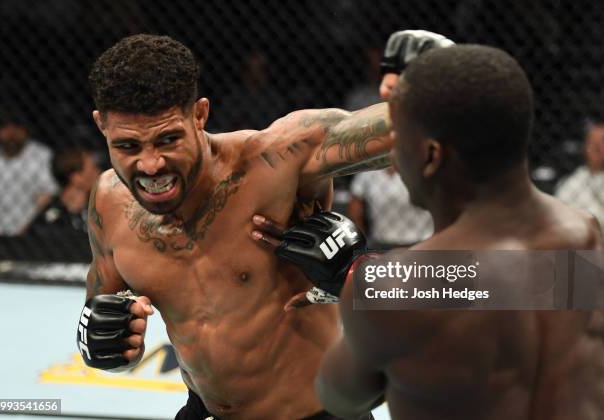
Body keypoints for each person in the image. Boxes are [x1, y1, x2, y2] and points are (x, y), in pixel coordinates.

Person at [75, 31, 451, 419]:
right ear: (101, 125)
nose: (151, 165)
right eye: (128, 147)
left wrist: (445, 79)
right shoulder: (109, 201)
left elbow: (423, 126)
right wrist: (108, 345)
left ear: (200, 114)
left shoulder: (277, 162)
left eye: (168, 139)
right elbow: (103, 313)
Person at [252, 45, 604, 419]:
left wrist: (355, 278)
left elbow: (339, 398)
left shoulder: (395, 285)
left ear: (431, 155)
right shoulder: (585, 236)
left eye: (399, 140)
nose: (392, 158)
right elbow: (513, 280)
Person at [0, 111, 58, 235]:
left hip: (28, 234)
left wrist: (27, 232)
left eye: (16, 129)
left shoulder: (42, 156)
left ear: (26, 131)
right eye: (5, 129)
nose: (11, 135)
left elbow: (46, 199)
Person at [348, 167, 433, 249]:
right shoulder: (367, 173)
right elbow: (355, 209)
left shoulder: (420, 168)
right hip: (382, 242)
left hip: (421, 240)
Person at [555, 119, 604, 230]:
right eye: (594, 144)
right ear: (586, 148)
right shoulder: (572, 184)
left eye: (603, 142)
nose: (599, 148)